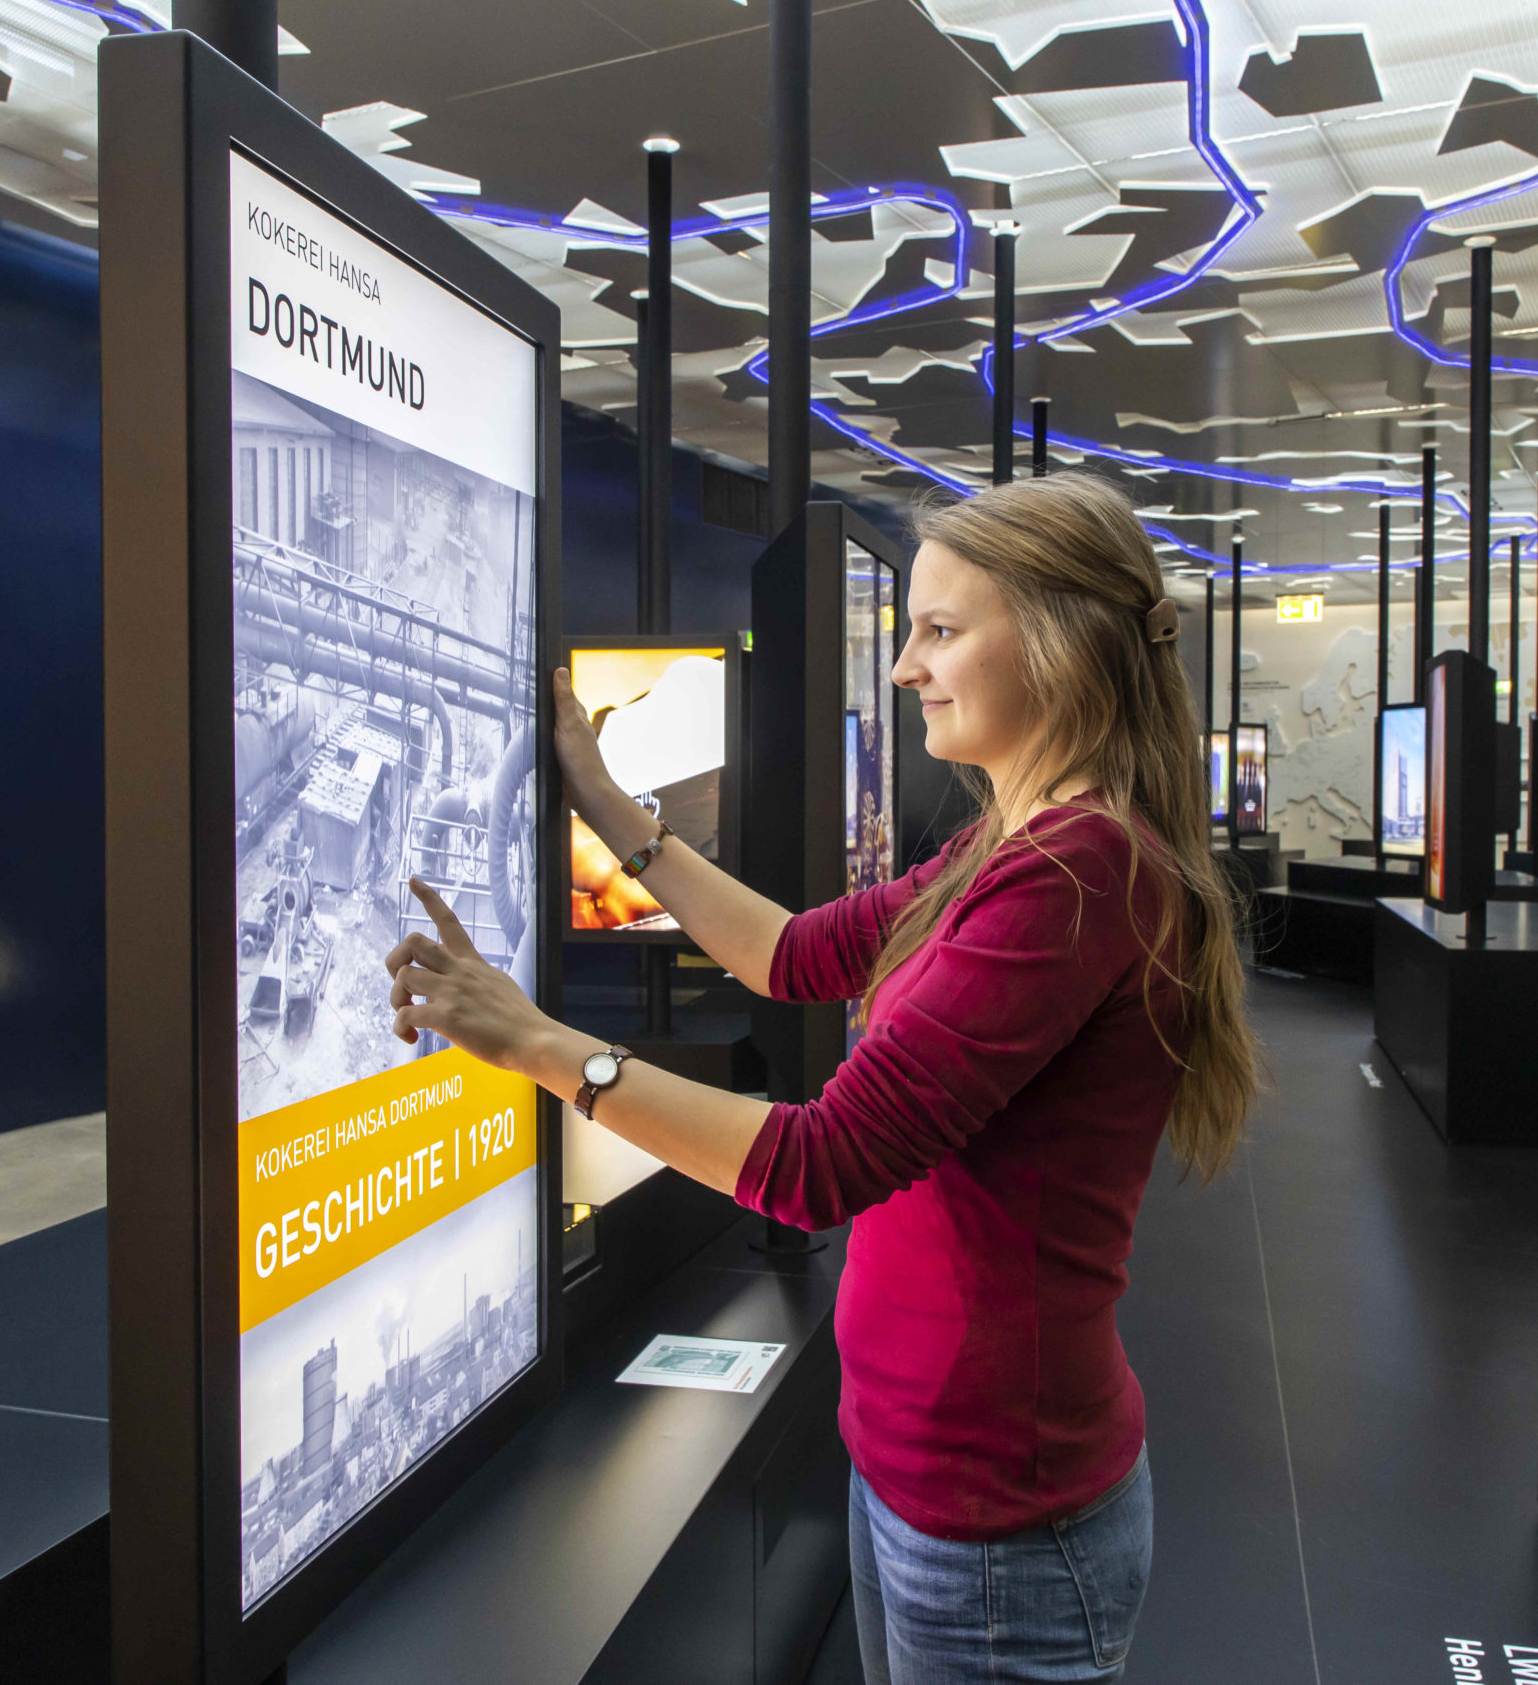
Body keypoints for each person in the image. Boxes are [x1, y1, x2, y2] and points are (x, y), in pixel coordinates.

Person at [385, 471, 1260, 1683]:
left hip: (994, 1504)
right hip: (920, 1463)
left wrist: (540, 1045)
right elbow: (793, 953)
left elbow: (817, 1164)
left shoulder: (1075, 878)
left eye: (940, 631)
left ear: (1062, 645)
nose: (906, 669)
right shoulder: (1010, 845)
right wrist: (614, 813)